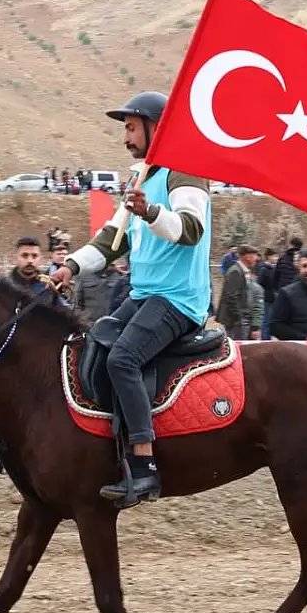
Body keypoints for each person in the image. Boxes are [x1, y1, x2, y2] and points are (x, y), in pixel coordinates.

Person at [52, 91, 212, 507]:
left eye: (130, 127)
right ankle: (109, 449)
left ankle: (145, 466)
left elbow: (189, 229)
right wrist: (70, 266)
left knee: (123, 358)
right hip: (144, 296)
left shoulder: (185, 172)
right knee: (95, 343)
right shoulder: (140, 179)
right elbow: (110, 242)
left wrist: (150, 213)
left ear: (155, 127)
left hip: (179, 300)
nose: (125, 137)